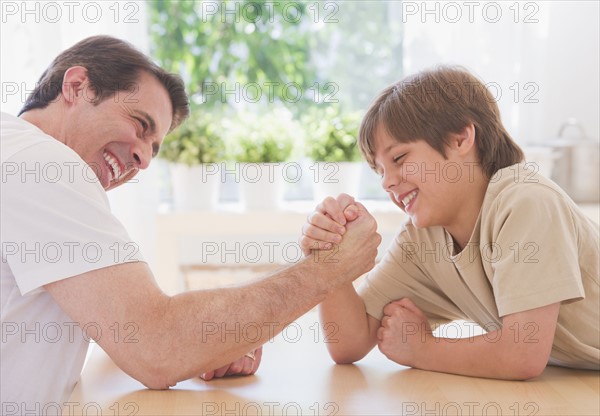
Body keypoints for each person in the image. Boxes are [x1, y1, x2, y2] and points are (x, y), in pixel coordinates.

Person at [0, 35, 381, 409]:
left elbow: (127, 329)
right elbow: (155, 344)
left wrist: (204, 342)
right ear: (78, 86)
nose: (144, 161)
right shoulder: (46, 165)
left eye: (153, 148)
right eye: (139, 124)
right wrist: (329, 269)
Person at [301, 66, 599, 380]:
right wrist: (328, 254)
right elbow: (349, 342)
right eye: (379, 171)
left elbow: (521, 353)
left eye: (399, 158)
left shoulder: (526, 203)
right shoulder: (424, 239)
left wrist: (422, 349)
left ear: (460, 138)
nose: (387, 182)